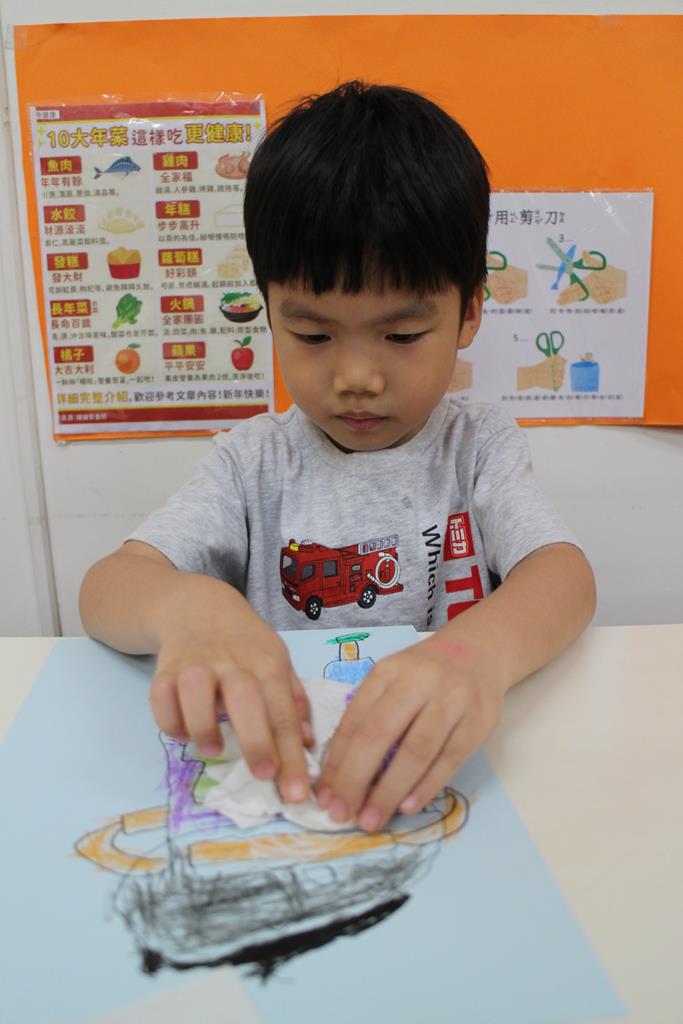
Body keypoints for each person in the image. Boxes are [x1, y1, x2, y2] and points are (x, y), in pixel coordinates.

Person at [80, 80, 596, 834]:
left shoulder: (477, 447)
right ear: (268, 312)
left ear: (469, 313)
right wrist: (191, 608)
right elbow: (106, 589)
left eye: (401, 335)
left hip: (445, 777)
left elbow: (564, 576)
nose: (357, 377)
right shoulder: (250, 463)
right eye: (314, 335)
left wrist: (475, 655)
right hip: (286, 775)